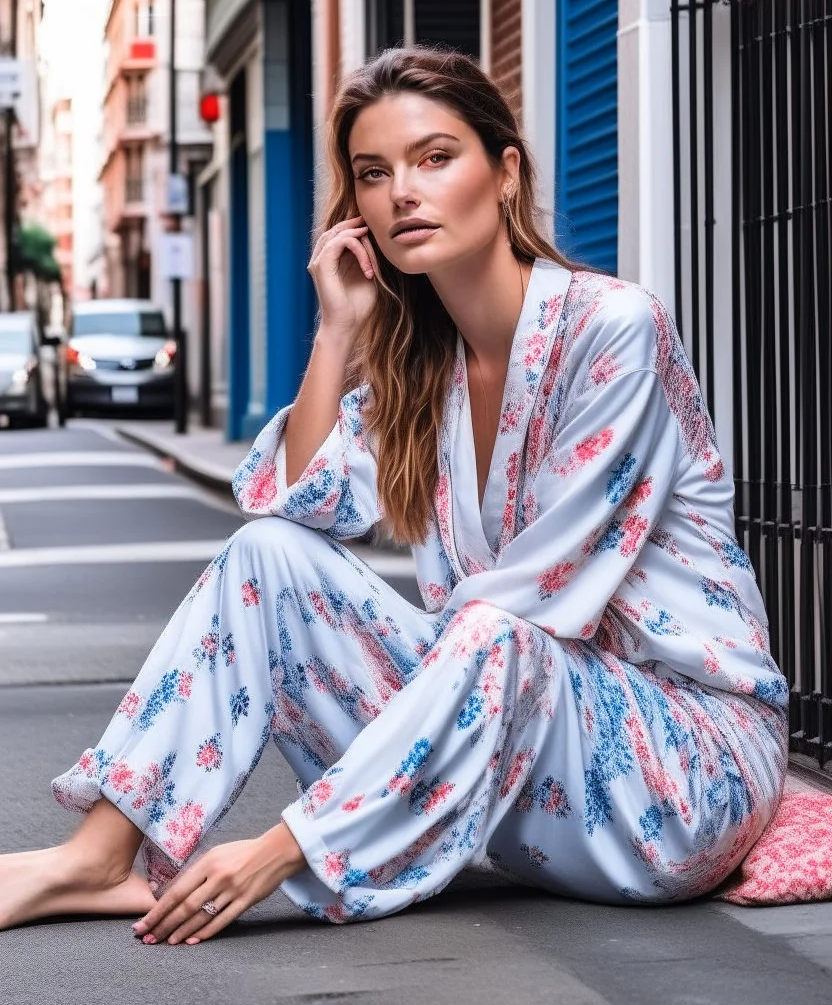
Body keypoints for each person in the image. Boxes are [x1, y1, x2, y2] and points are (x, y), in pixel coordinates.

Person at [0, 47, 788, 944]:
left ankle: (309, 846)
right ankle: (98, 855)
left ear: (505, 173)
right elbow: (296, 508)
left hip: (681, 775)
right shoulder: (429, 373)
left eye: (435, 158)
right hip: (515, 763)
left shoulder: (614, 329)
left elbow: (543, 600)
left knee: (498, 627)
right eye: (374, 175)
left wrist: (282, 846)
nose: (402, 192)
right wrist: (338, 330)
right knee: (270, 555)